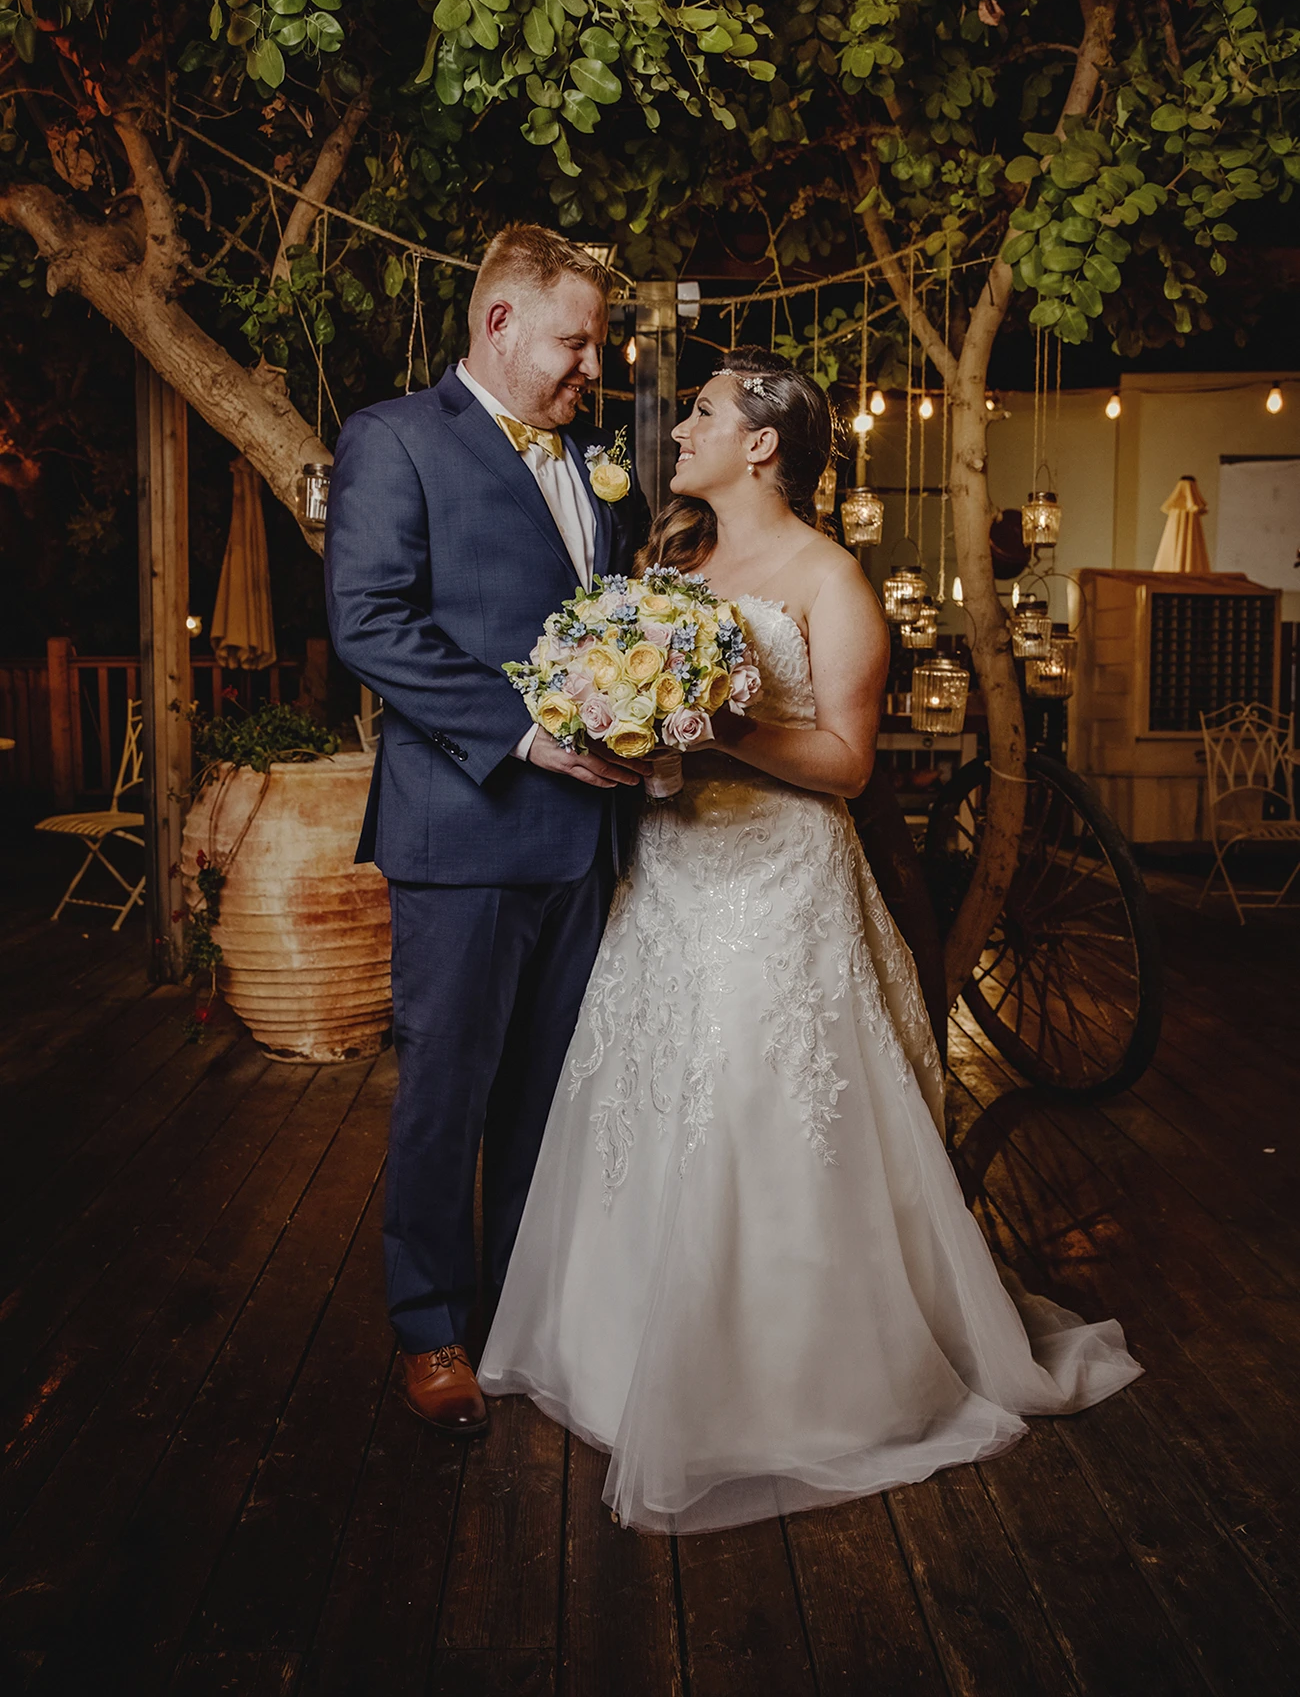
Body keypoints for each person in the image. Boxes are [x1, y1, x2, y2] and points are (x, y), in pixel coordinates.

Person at [478, 347, 1141, 1533]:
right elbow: (659, 723)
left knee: (756, 1109)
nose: (679, 429)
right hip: (672, 875)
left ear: (763, 443)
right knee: (645, 1101)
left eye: (702, 414)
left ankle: (789, 1383)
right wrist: (627, 731)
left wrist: (718, 728)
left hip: (779, 884)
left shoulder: (830, 576)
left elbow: (844, 763)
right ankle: (621, 1354)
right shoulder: (675, 561)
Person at [326, 226, 648, 1437]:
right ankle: (431, 1329)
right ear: (500, 323)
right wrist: (526, 735)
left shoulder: (592, 460)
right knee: (446, 1093)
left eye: (597, 347)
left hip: (584, 838)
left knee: (543, 1099)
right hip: (463, 832)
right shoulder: (396, 439)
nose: (590, 369)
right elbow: (369, 622)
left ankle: (518, 1313)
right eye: (575, 342)